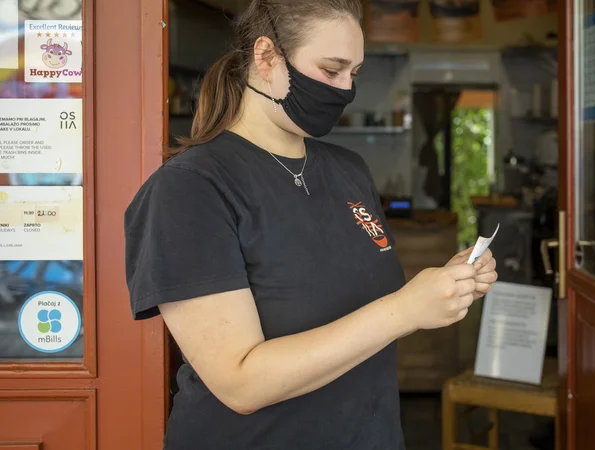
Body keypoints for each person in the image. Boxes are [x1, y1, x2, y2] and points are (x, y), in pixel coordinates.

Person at [124, 1, 498, 449]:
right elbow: (240, 383)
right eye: (331, 69)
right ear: (266, 57)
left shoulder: (348, 170)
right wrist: (405, 309)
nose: (345, 90)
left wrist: (442, 287)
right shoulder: (190, 189)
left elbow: (364, 310)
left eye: (353, 74)